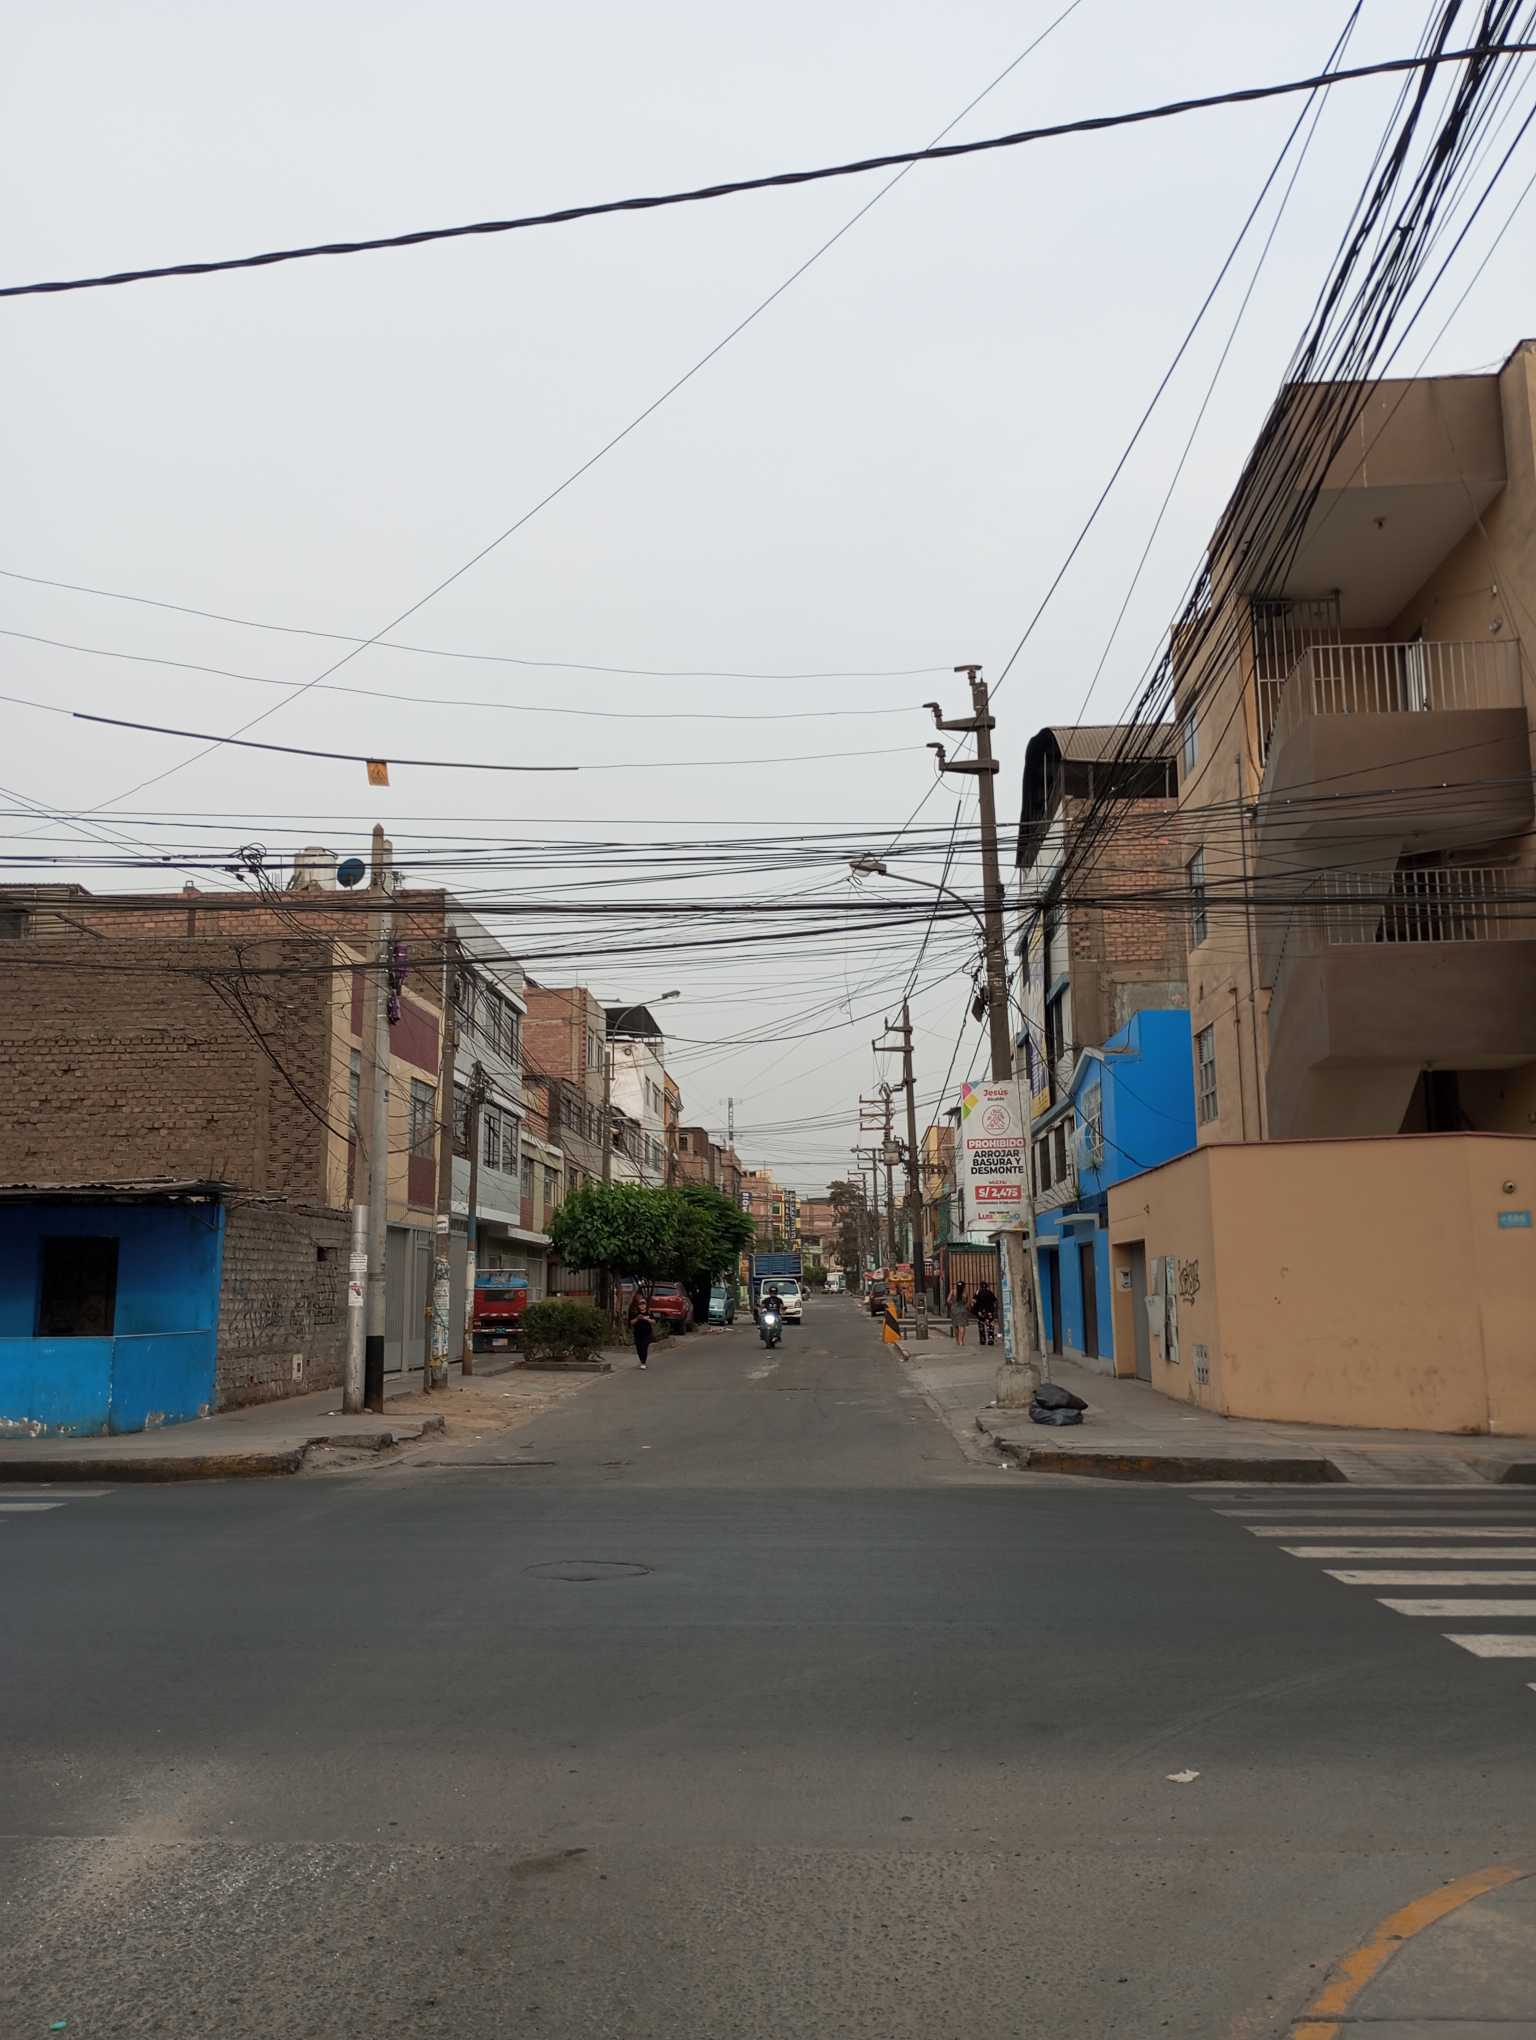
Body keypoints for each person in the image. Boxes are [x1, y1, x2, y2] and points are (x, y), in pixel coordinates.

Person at [627, 1290, 654, 1370]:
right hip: (637, 1333)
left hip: (647, 1333)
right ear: (638, 1306)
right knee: (639, 1349)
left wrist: (648, 1319)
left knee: (644, 1347)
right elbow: (631, 1322)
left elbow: (654, 1321)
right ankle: (641, 1359)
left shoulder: (649, 1312)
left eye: (643, 1304)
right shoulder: (635, 1313)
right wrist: (637, 1318)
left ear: (646, 1305)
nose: (642, 1305)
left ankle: (643, 1362)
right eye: (640, 1304)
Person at [973, 1281, 999, 1346]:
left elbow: (974, 1301)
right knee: (990, 1325)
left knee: (981, 1325)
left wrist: (976, 1310)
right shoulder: (990, 1292)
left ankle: (982, 1340)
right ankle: (990, 1339)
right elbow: (995, 1301)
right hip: (989, 1311)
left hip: (981, 1311)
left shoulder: (978, 1292)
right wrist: (993, 1310)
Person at [947, 1279, 970, 1344]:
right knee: (962, 1326)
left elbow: (948, 1300)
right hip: (963, 1310)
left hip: (954, 1310)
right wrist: (965, 1306)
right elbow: (968, 1302)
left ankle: (957, 1340)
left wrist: (953, 1304)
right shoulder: (965, 1293)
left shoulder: (953, 1291)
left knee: (956, 1326)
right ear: (964, 1286)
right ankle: (961, 1341)